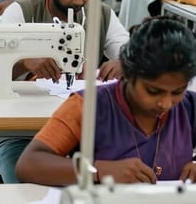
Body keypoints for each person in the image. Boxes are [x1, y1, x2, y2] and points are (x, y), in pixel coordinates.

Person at [0, 0, 130, 183]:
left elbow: (131, 53)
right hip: (22, 133)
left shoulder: (101, 15)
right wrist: (24, 63)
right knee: (26, 188)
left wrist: (124, 63)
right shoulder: (21, 13)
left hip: (84, 133)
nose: (79, 1)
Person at [16, 16, 196, 186]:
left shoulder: (189, 107)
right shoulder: (89, 106)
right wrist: (98, 171)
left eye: (177, 92)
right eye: (153, 91)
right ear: (128, 73)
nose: (165, 103)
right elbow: (28, 164)